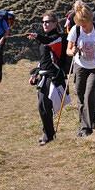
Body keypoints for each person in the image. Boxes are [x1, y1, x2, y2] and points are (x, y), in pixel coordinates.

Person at [66, 0, 95, 137]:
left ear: (90, 19)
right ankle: (84, 122)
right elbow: (68, 49)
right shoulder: (75, 29)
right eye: (80, 24)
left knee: (89, 95)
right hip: (80, 65)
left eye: (84, 24)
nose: (83, 26)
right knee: (79, 94)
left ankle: (86, 128)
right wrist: (73, 51)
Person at [27, 11, 70, 145]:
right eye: (43, 22)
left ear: (55, 23)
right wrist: (35, 74)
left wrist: (37, 36)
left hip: (54, 76)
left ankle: (48, 134)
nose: (44, 24)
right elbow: (43, 60)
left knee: (45, 106)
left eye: (47, 22)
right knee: (42, 106)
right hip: (43, 76)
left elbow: (50, 41)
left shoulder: (59, 38)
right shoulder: (44, 40)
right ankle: (48, 133)